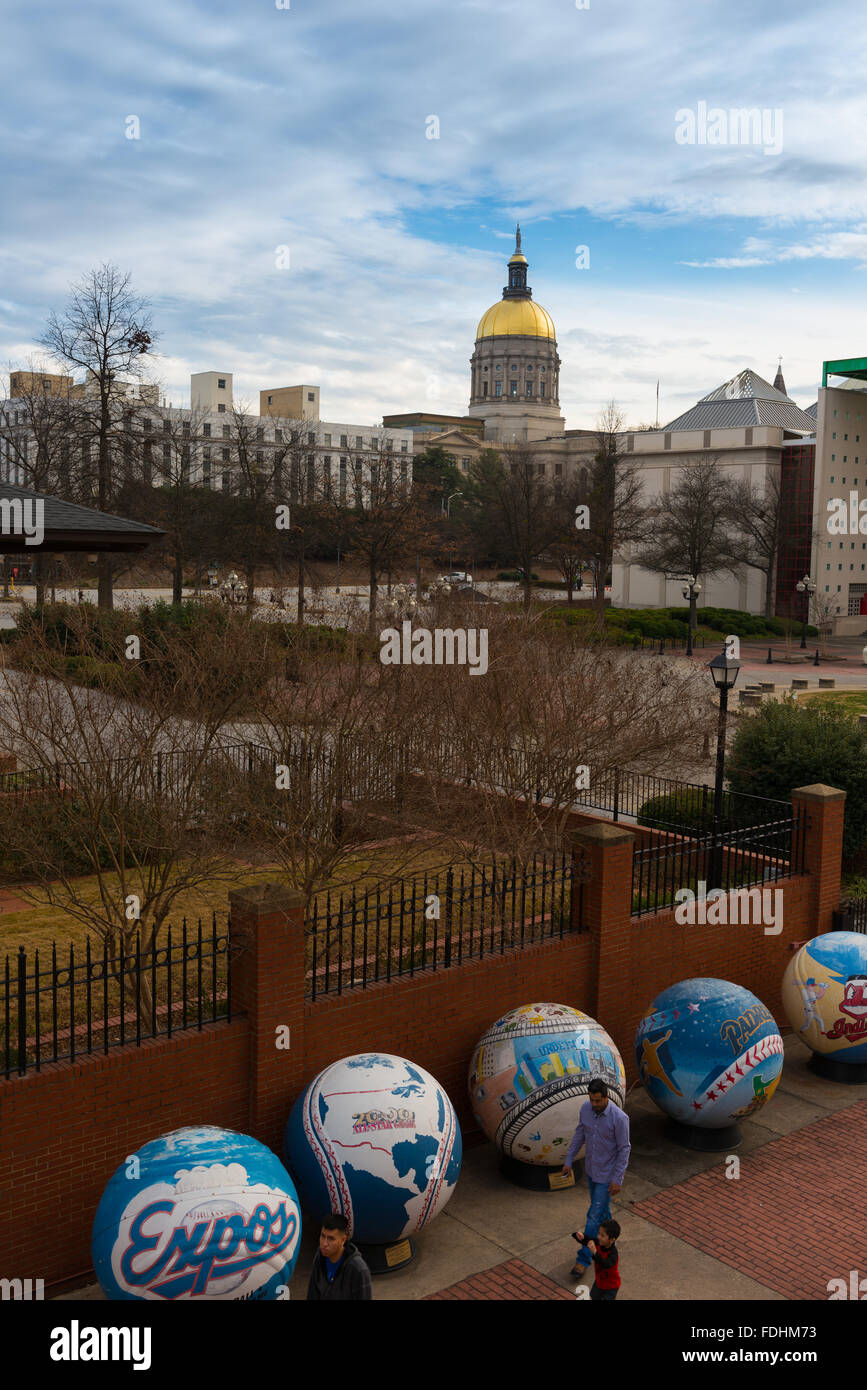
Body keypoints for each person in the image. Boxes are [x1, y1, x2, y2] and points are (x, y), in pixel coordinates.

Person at [561, 1078, 630, 1280]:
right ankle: (610, 1242)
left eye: (598, 1101)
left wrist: (617, 1178)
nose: (594, 1104)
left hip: (607, 1175)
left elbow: (624, 1149)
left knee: (593, 1216)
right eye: (591, 1100)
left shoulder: (619, 1119)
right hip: (591, 1170)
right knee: (602, 1211)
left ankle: (583, 1260)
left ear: (606, 1097)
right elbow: (579, 1134)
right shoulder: (585, 1109)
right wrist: (568, 1160)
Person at [306, 1214, 372, 1300]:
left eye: (331, 1238)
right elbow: (312, 1295)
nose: (324, 1244)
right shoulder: (319, 1257)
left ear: (343, 1240)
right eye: (322, 1236)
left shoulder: (358, 1269)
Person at [573, 1218, 621, 1300]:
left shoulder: (613, 1254)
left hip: (611, 1287)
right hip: (599, 1282)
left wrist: (595, 1252)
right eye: (599, 1233)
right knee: (594, 1297)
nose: (598, 1237)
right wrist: (580, 1236)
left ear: (612, 1240)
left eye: (602, 1235)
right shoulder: (599, 1242)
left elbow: (605, 1264)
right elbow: (588, 1240)